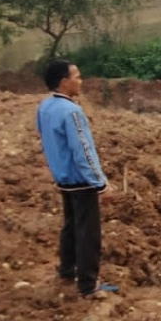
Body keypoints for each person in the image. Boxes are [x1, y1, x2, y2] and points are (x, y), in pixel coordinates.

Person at [36, 59, 118, 298]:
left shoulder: (44, 107)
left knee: (71, 226)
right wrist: (100, 183)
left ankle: (66, 270)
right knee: (88, 233)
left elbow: (45, 139)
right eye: (77, 77)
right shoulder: (72, 112)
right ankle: (88, 285)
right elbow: (83, 150)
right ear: (64, 82)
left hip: (63, 178)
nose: (80, 81)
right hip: (80, 181)